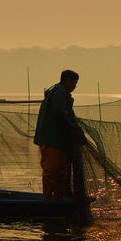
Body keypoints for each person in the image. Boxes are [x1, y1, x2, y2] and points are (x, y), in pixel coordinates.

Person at [34, 70, 82, 200]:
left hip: (59, 139)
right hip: (50, 138)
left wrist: (73, 127)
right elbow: (59, 112)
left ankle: (59, 198)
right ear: (67, 81)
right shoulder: (59, 93)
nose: (75, 86)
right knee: (51, 170)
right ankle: (48, 199)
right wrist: (72, 127)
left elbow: (67, 115)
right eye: (74, 83)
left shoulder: (63, 93)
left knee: (62, 170)